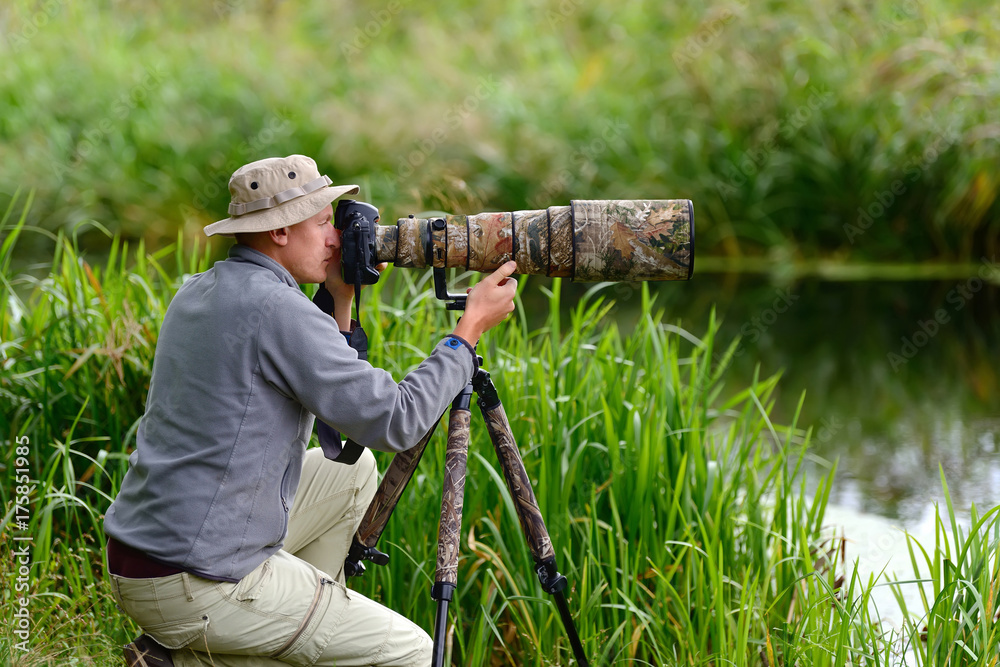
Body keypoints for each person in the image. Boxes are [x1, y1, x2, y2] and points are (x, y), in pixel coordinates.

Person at [103, 154, 518, 666]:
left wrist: (339, 301)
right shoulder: (278, 310)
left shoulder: (200, 291)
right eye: (323, 223)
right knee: (410, 652)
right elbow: (397, 421)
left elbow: (338, 422)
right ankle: (198, 654)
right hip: (195, 580)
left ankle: (287, 635)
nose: (335, 239)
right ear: (278, 232)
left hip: (143, 555)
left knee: (352, 472)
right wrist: (466, 334)